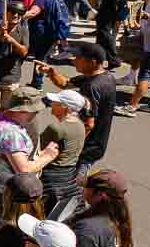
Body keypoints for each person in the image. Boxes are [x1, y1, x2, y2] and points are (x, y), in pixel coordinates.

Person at [36, 41, 116, 178]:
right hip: (94, 145)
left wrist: (72, 146)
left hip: (87, 148)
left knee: (75, 182)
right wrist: (51, 72)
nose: (74, 60)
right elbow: (66, 83)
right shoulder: (102, 76)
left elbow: (89, 124)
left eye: (79, 58)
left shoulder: (93, 86)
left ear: (93, 62)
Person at [0, 88, 57, 222]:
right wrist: (47, 156)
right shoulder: (11, 134)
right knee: (8, 231)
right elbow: (23, 170)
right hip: (12, 194)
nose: (36, 114)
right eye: (35, 111)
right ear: (23, 110)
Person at [34, 89, 87, 213]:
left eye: (56, 103)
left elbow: (37, 149)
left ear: (65, 107)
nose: (51, 104)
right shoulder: (80, 124)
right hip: (70, 175)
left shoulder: (55, 128)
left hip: (51, 176)